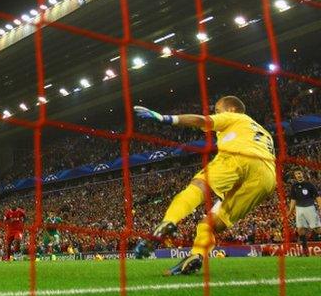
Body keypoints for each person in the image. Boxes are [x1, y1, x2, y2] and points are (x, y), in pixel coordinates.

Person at [133, 96, 276, 275]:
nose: (215, 114)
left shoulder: (235, 117)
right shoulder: (262, 131)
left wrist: (166, 118)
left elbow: (202, 120)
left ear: (230, 110)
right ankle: (197, 255)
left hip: (239, 157)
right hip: (267, 177)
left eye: (217, 111)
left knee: (199, 186)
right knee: (210, 223)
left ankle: (168, 222)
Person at [288, 169, 321, 256]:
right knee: (300, 230)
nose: (298, 175)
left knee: (317, 229)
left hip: (310, 207)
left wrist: (320, 205)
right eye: (296, 174)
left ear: (303, 174)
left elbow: (317, 196)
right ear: (295, 176)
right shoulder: (294, 186)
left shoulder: (309, 184)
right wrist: (290, 211)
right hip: (299, 209)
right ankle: (305, 251)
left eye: (299, 173)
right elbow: (293, 200)